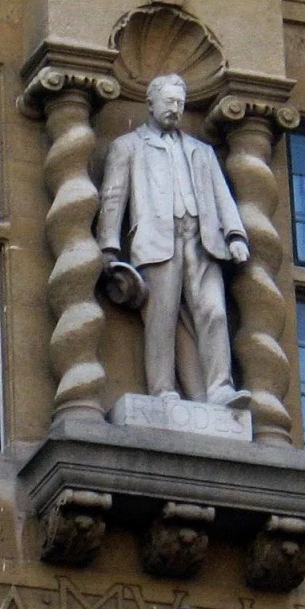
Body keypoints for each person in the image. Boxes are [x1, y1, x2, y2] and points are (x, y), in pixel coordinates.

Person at [96, 73, 250, 406]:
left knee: (214, 312)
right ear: (150, 103)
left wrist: (235, 234)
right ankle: (163, 389)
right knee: (161, 319)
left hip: (203, 240)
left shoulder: (201, 151)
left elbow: (222, 196)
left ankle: (220, 388)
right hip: (156, 242)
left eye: (180, 103)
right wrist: (108, 245)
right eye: (169, 101)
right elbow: (114, 196)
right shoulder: (128, 146)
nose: (175, 108)